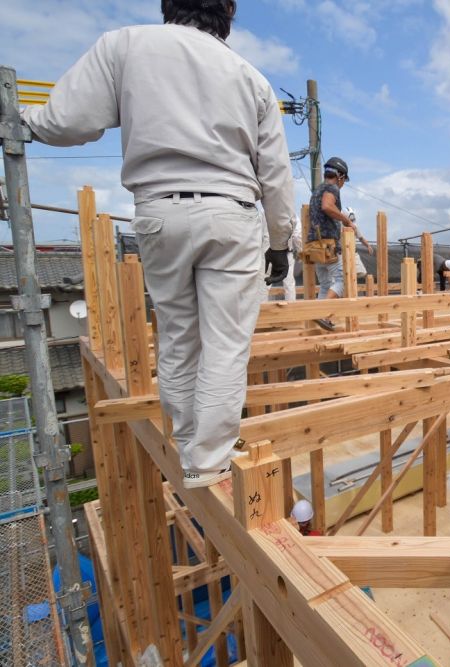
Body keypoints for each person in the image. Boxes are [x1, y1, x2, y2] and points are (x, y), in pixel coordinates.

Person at [20, 0, 296, 488]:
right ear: (227, 15)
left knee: (177, 333)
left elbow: (67, 120)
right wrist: (279, 242)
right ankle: (206, 461)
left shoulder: (126, 44)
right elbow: (275, 174)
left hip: (158, 210)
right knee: (226, 343)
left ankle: (186, 439)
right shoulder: (249, 76)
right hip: (231, 213)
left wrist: (24, 119)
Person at [308, 158, 372, 331]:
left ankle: (321, 317)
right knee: (343, 279)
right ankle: (321, 314)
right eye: (344, 180)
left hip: (314, 244)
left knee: (326, 284)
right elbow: (327, 206)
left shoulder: (317, 190)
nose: (343, 184)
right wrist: (346, 221)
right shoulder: (331, 187)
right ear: (340, 176)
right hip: (328, 243)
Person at [281, 223, 303, 301]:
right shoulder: (291, 214)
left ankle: (263, 308)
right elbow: (297, 236)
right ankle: (290, 308)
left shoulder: (264, 212)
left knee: (265, 282)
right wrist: (299, 251)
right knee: (288, 282)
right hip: (285, 252)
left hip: (267, 250)